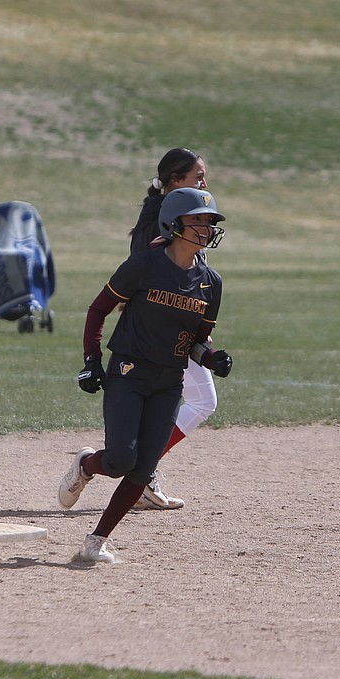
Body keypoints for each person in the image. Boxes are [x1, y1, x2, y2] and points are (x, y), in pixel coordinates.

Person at [60, 187, 234, 563]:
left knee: (144, 467)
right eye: (197, 220)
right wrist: (91, 359)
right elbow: (98, 310)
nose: (205, 228)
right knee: (120, 460)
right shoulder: (144, 265)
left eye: (209, 222)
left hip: (168, 382)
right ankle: (86, 464)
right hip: (128, 372)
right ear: (174, 223)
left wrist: (213, 358)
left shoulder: (211, 282)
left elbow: (198, 343)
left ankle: (96, 541)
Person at [127, 148, 216, 510]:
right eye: (197, 177)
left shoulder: (171, 214)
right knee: (202, 400)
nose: (204, 183)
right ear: (175, 181)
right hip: (163, 330)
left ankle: (140, 469)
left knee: (195, 401)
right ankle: (139, 470)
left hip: (170, 326)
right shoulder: (160, 221)